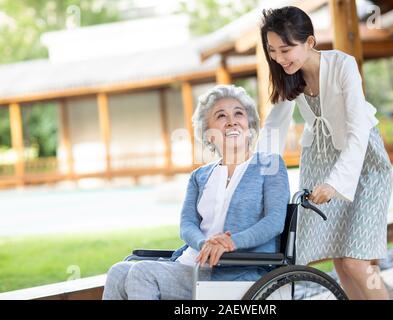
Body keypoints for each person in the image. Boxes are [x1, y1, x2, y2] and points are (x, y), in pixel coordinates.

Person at [102, 84, 290, 300]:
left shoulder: (270, 165)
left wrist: (232, 242)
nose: (231, 121)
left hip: (236, 269)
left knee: (143, 273)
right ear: (208, 134)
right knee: (118, 271)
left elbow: (274, 221)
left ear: (250, 126)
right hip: (193, 263)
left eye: (239, 113)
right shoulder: (199, 176)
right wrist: (204, 244)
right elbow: (187, 225)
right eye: (221, 116)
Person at [257, 6, 393, 300]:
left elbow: (358, 130)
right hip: (319, 161)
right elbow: (273, 130)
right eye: (272, 51)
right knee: (341, 260)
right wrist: (255, 176)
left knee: (357, 260)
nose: (279, 58)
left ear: (309, 42)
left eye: (286, 49)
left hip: (364, 163)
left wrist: (335, 182)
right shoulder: (287, 77)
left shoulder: (343, 64)